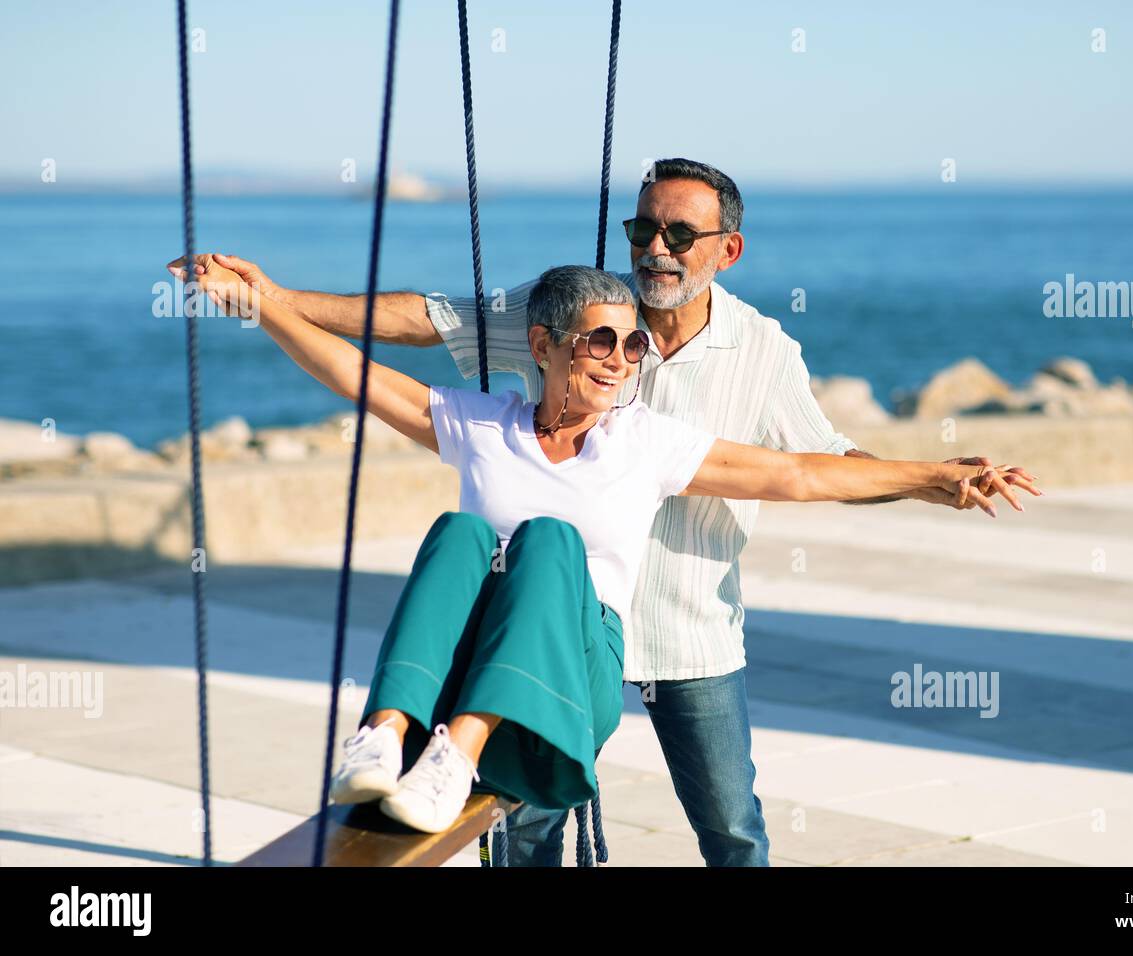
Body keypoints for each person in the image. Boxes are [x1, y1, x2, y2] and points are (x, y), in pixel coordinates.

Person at [171, 158, 1039, 862]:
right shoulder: (549, 329)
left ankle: (452, 746)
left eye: (678, 234)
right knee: (480, 580)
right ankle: (398, 741)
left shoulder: (739, 369)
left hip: (685, 626)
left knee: (731, 828)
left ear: (725, 250)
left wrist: (930, 476)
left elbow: (808, 469)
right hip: (533, 641)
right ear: (546, 348)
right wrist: (269, 299)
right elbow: (413, 330)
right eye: (642, 229)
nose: (655, 248)